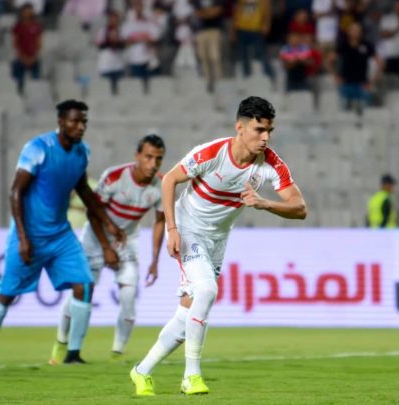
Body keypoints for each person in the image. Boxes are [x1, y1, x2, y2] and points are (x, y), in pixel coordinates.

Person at [129, 96, 307, 396]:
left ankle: (141, 371)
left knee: (188, 314)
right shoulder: (212, 153)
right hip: (188, 229)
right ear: (240, 127)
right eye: (259, 130)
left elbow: (300, 208)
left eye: (269, 131)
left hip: (218, 239)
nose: (265, 137)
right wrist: (172, 229)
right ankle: (191, 376)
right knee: (207, 291)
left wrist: (264, 203)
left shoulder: (271, 164)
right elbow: (169, 180)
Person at [0, 100, 124, 366]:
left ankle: (73, 354)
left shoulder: (82, 152)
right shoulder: (37, 149)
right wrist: (23, 238)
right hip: (29, 234)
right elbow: (16, 191)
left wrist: (107, 222)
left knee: (84, 285)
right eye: (75, 121)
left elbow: (83, 190)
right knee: (7, 293)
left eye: (84, 122)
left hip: (60, 235)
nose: (80, 127)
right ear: (61, 121)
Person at [50, 134, 167, 364]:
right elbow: (93, 212)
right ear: (137, 156)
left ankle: (117, 355)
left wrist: (155, 260)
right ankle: (61, 344)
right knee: (81, 293)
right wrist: (106, 248)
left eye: (158, 159)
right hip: (95, 238)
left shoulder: (161, 184)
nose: (153, 164)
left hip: (127, 240)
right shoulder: (114, 176)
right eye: (148, 157)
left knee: (129, 297)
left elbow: (160, 221)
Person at [329, 22, 382, 111]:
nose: (356, 32)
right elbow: (329, 60)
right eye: (353, 30)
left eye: (358, 30)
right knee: (344, 111)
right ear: (349, 32)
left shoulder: (366, 45)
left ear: (361, 32)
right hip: (346, 83)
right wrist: (335, 76)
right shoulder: (343, 45)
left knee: (366, 111)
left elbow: (380, 62)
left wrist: (373, 81)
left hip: (362, 84)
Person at [232, 0, 276, 87]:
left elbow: (267, 9)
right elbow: (236, 9)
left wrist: (267, 24)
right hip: (242, 27)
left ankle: (270, 75)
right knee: (243, 55)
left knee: (261, 53)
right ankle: (247, 77)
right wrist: (234, 28)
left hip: (256, 27)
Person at [192, 0, 225, 92]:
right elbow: (197, 13)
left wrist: (205, 13)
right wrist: (208, 13)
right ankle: (208, 81)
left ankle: (218, 79)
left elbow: (217, 11)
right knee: (203, 57)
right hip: (201, 31)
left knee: (215, 56)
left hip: (214, 30)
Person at [12, 3, 43, 95]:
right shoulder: (18, 27)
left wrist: (34, 57)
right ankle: (19, 94)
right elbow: (16, 44)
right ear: (22, 13)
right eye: (26, 11)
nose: (28, 13)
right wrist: (23, 58)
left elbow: (39, 43)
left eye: (30, 11)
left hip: (33, 58)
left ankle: (35, 95)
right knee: (18, 78)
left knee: (36, 81)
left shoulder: (37, 26)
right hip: (21, 58)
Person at [96, 9, 125, 96]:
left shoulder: (120, 31)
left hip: (118, 65)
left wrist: (117, 41)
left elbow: (123, 45)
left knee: (119, 92)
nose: (114, 21)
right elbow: (100, 45)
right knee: (106, 92)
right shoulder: (103, 31)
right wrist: (110, 40)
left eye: (116, 19)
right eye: (112, 19)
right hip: (106, 66)